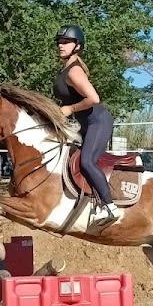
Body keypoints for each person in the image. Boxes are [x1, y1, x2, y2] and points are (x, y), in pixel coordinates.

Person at [52, 24, 124, 225]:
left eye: (66, 42)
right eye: (59, 41)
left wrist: (69, 110)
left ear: (77, 46)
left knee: (86, 162)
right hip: (86, 123)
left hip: (98, 122)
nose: (61, 45)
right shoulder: (66, 68)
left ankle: (110, 207)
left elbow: (94, 98)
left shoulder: (74, 71)